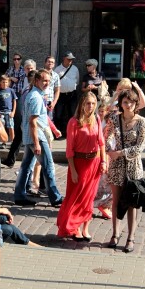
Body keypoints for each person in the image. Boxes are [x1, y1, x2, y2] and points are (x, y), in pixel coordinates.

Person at [56, 92, 107, 241]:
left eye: (93, 103)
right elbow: (69, 149)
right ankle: (74, 227)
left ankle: (85, 228)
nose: (90, 106)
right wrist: (73, 170)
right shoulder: (74, 122)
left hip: (94, 163)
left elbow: (101, 143)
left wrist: (103, 161)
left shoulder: (97, 119)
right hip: (79, 164)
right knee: (77, 197)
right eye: (87, 103)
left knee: (89, 198)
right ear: (82, 104)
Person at [104, 89, 145, 253]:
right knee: (115, 201)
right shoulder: (115, 119)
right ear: (121, 104)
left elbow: (140, 147)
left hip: (133, 166)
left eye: (131, 102)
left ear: (136, 104)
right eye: (125, 102)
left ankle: (130, 237)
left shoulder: (142, 122)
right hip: (116, 166)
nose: (128, 105)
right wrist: (109, 149)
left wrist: (120, 153)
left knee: (131, 203)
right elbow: (107, 135)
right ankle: (115, 234)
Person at [13, 69, 64, 207]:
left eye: (48, 81)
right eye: (44, 80)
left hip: (31, 135)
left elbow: (38, 118)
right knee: (48, 166)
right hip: (37, 136)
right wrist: (36, 143)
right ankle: (56, 198)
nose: (47, 83)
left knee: (26, 166)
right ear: (37, 81)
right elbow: (33, 122)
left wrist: (53, 129)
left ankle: (19, 195)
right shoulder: (35, 97)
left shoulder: (34, 94)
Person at [3, 59, 36, 168]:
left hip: (32, 115)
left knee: (31, 142)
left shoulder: (37, 80)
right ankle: (10, 160)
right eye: (27, 68)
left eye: (31, 68)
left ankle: (35, 170)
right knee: (19, 136)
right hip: (23, 112)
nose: (29, 70)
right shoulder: (23, 78)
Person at [93, 98, 113, 220]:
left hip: (107, 153)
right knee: (104, 182)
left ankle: (105, 206)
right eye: (99, 111)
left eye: (103, 111)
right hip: (101, 153)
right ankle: (103, 205)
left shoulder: (108, 122)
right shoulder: (96, 121)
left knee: (107, 182)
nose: (101, 113)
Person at [54, 51, 80, 135]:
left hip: (72, 94)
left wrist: (71, 86)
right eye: (68, 59)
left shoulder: (75, 69)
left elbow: (77, 80)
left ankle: (71, 133)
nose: (70, 61)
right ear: (64, 58)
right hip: (60, 95)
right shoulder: (57, 69)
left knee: (72, 114)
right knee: (58, 114)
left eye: (71, 59)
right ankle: (58, 132)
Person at [0, 75, 17, 144]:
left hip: (9, 112)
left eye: (6, 82)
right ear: (0, 82)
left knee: (11, 127)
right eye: (3, 82)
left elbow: (14, 101)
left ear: (8, 82)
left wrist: (13, 112)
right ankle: (2, 141)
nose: (4, 84)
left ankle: (12, 142)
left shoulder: (11, 90)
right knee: (1, 127)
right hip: (0, 112)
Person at [43, 56, 61, 120]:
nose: (50, 63)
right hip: (40, 100)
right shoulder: (40, 73)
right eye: (49, 61)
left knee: (49, 121)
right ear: (45, 63)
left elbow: (57, 90)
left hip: (50, 102)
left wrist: (54, 103)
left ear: (54, 64)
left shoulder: (56, 76)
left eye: (52, 62)